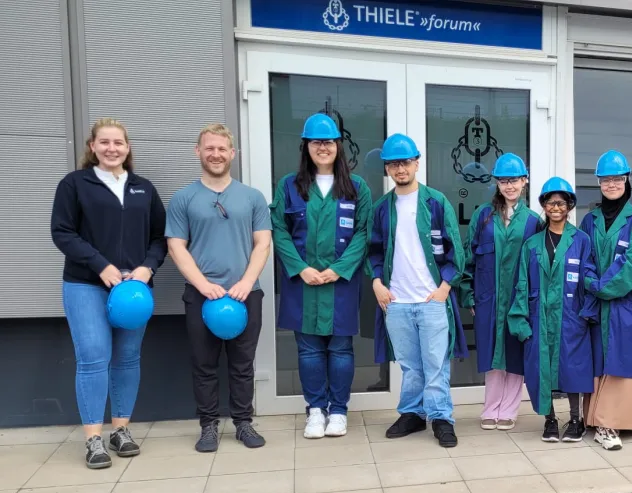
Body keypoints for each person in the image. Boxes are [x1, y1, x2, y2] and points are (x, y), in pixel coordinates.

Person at [50, 118, 167, 469]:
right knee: (93, 357)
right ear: (92, 146)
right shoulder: (75, 184)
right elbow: (63, 232)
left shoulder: (143, 188)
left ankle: (121, 430)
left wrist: (147, 267)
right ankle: (93, 439)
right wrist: (101, 265)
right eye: (105, 142)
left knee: (128, 357)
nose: (112, 148)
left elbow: (161, 237)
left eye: (118, 143)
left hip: (134, 290)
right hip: (86, 284)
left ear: (128, 148)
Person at [166, 124, 272, 453]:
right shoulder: (184, 198)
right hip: (201, 296)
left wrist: (245, 282)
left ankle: (243, 422)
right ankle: (208, 425)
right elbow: (176, 246)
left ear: (232, 154)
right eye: (209, 148)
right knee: (204, 364)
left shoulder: (252, 197)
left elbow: (262, 244)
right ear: (198, 151)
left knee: (243, 363)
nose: (216, 154)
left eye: (222, 149)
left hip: (245, 294)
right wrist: (202, 285)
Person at [270, 113, 372, 439]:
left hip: (340, 283)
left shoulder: (357, 188)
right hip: (303, 283)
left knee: (341, 349)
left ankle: (339, 411)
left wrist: (338, 270)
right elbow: (279, 231)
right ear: (306, 147)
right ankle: (316, 410)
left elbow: (363, 233)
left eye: (328, 142)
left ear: (338, 146)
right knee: (309, 350)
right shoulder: (289, 185)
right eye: (316, 142)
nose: (323, 148)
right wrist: (301, 268)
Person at [367, 134, 467, 448]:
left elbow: (456, 250)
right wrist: (376, 283)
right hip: (396, 302)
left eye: (405, 162)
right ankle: (412, 413)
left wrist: (445, 287)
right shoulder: (382, 207)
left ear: (416, 163)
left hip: (430, 300)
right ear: (387, 168)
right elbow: (372, 250)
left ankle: (441, 418)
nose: (400, 168)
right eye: (394, 163)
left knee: (437, 364)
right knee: (410, 365)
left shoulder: (435, 202)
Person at [508, 177, 597, 443]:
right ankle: (549, 420)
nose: (556, 207)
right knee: (541, 370)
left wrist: (586, 314)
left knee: (572, 369)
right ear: (544, 206)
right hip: (539, 319)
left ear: (569, 206)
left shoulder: (581, 241)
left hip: (571, 317)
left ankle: (575, 420)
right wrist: (521, 322)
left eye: (561, 202)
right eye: (550, 202)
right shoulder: (532, 244)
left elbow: (589, 278)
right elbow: (521, 284)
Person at [461, 153, 542, 432]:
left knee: (515, 352)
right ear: (497, 183)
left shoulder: (533, 221)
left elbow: (537, 264)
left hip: (518, 299)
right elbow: (468, 256)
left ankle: (509, 409)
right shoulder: (483, 216)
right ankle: (490, 407)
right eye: (504, 181)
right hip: (488, 298)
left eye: (515, 180)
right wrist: (468, 294)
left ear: (524, 181)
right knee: (493, 353)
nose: (509, 186)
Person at [578, 150, 632, 451]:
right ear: (598, 182)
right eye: (605, 180)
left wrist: (602, 287)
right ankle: (596, 421)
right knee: (599, 360)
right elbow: (583, 258)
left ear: (626, 180)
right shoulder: (589, 219)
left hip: (627, 303)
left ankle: (614, 421)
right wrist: (592, 282)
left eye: (616, 179)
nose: (611, 184)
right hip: (598, 305)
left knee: (624, 359)